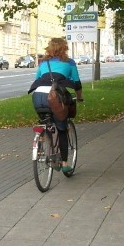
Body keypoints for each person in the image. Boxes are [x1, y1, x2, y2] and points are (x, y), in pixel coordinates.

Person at [28, 37, 83, 173]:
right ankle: (64, 164)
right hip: (54, 97)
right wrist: (80, 97)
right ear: (64, 48)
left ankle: (42, 140)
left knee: (45, 120)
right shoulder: (69, 63)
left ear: (49, 48)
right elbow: (76, 83)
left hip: (38, 96)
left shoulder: (43, 63)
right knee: (62, 128)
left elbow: (37, 80)